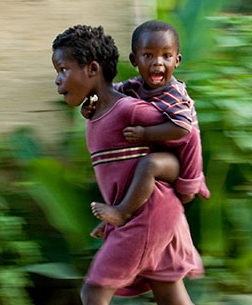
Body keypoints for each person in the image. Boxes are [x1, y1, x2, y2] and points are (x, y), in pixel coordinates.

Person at [23, 24, 252, 305]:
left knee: (94, 291)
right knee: (174, 304)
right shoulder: (101, 111)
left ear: (91, 69)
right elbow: (125, 170)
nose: (57, 80)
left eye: (62, 69)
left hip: (149, 215)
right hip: (148, 214)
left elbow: (179, 145)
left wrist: (189, 181)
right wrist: (114, 214)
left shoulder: (132, 110)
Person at [86, 20, 209, 228]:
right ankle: (115, 217)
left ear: (177, 60)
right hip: (166, 152)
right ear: (134, 60)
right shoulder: (135, 86)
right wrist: (93, 103)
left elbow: (182, 129)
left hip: (184, 166)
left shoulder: (174, 93)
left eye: (166, 56)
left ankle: (122, 212)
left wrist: (144, 133)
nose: (158, 63)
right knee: (128, 167)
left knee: (148, 164)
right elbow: (110, 94)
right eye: (148, 55)